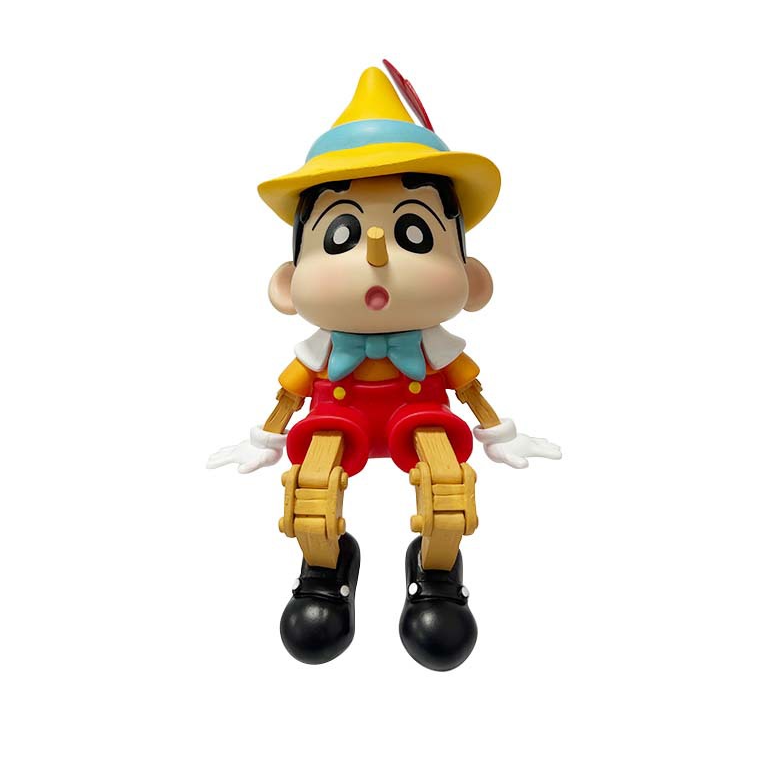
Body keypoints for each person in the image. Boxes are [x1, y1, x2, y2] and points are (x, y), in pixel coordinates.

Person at [208, 64, 561, 670]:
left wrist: (497, 431)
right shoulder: (321, 351)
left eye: (414, 235)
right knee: (310, 492)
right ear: (288, 285)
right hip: (335, 420)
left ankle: (437, 572)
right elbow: (288, 396)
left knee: (449, 491)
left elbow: (469, 386)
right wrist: (266, 439)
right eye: (340, 236)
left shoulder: (434, 346)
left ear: (473, 280)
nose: (376, 255)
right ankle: (324, 569)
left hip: (419, 415)